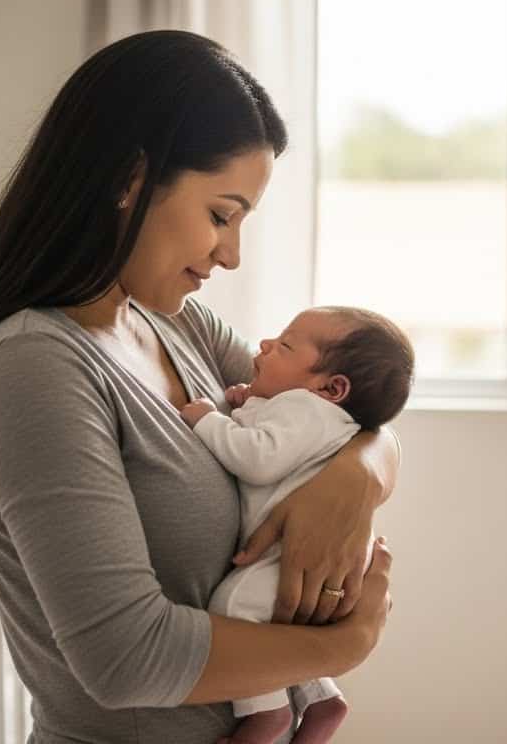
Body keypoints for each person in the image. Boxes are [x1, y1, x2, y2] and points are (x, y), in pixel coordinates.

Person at [0, 30, 398, 744]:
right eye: (220, 215)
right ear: (128, 180)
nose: (230, 255)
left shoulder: (176, 326)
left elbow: (352, 414)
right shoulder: (32, 369)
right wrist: (345, 646)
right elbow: (126, 658)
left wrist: (353, 478)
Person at [178, 307, 414, 744]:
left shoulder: (306, 409)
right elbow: (274, 431)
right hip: (293, 553)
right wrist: (246, 401)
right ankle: (322, 699)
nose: (265, 345)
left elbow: (260, 458)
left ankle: (267, 715)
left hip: (288, 554)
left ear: (331, 388)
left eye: (285, 345)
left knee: (235, 609)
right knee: (280, 632)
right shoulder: (310, 409)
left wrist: (208, 419)